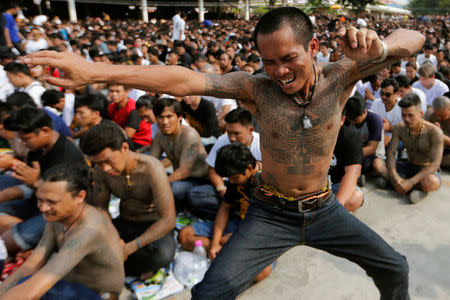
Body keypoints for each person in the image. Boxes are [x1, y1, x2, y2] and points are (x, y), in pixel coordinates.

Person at [26, 7, 425, 298]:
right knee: (208, 294)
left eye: (289, 58)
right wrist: (97, 70)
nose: (280, 72)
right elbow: (184, 80)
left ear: (313, 47)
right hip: (270, 211)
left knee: (396, 268)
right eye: (269, 62)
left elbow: (414, 39)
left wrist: (377, 46)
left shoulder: (342, 75)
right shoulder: (256, 88)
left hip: (324, 208)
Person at [0, 164, 124, 300]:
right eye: (40, 200)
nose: (43, 208)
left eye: (51, 202)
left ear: (80, 197)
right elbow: (34, 262)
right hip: (69, 286)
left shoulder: (89, 230)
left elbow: (44, 278)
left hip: (97, 295)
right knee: (21, 284)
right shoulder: (57, 217)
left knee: (30, 289)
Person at [80, 121, 176, 277]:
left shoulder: (152, 168)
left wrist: (129, 248)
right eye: (98, 163)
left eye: (107, 161)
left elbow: (168, 220)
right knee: (84, 239)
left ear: (124, 148)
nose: (105, 168)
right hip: (124, 223)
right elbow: (101, 207)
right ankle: (123, 263)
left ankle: (117, 263)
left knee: (163, 254)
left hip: (152, 225)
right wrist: (113, 237)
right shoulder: (100, 170)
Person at [178, 143, 272, 282]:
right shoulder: (237, 177)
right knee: (184, 236)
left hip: (261, 232)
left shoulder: (269, 184)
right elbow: (225, 208)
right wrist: (215, 243)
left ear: (250, 168)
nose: (232, 182)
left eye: (234, 178)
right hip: (239, 221)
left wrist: (236, 237)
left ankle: (227, 251)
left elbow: (270, 227)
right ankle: (225, 252)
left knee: (261, 273)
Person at [0, 107, 86, 254]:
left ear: (45, 131)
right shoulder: (38, 149)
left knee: (7, 243)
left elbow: (64, 201)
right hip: (37, 199)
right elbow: (28, 185)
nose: (23, 143)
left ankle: (43, 242)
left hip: (60, 213)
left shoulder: (68, 157)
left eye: (26, 139)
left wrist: (36, 183)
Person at [187, 107, 261, 219]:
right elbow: (212, 169)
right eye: (229, 133)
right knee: (195, 195)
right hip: (228, 188)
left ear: (250, 130)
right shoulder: (223, 139)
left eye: (236, 133)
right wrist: (221, 189)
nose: (232, 138)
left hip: (253, 192)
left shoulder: (262, 145)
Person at [377, 93, 443, 203]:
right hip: (407, 165)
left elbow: (435, 164)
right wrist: (395, 176)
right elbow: (391, 153)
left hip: (425, 170)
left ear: (421, 113)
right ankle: (401, 184)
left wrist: (411, 182)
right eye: (403, 115)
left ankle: (400, 185)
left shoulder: (435, 132)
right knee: (377, 163)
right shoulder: (399, 128)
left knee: (433, 182)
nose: (406, 119)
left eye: (410, 115)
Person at [150, 98, 209, 209]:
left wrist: (160, 185)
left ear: (179, 117)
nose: (164, 122)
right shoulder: (160, 135)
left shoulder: (189, 135)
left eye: (169, 117)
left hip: (200, 180)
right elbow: (152, 162)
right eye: (161, 117)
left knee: (170, 189)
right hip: (179, 179)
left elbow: (184, 171)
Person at [330, 107, 364, 212]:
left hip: (337, 184)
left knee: (355, 198)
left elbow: (352, 173)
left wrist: (335, 208)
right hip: (314, 186)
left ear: (342, 120)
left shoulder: (350, 138)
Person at [107, 84, 152, 149]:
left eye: (117, 91)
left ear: (127, 92)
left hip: (140, 143)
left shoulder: (133, 109)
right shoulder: (111, 107)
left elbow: (127, 136)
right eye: (111, 91)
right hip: (121, 139)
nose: (114, 94)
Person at [370, 77, 403, 145]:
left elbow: (407, 129)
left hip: (398, 138)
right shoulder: (376, 103)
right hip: (378, 137)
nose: (383, 97)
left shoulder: (403, 106)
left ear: (397, 94)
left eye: (387, 95)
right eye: (381, 93)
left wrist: (390, 128)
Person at [425, 96, 450, 169]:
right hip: (436, 149)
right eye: (436, 115)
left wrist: (443, 137)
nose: (438, 118)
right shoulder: (430, 113)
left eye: (442, 115)